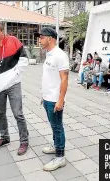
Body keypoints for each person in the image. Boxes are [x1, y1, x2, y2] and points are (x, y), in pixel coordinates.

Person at [0, 22, 29, 155]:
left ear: (2, 32)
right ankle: (4, 137)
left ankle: (24, 140)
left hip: (13, 84)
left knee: (18, 114)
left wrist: (13, 76)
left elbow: (24, 60)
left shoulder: (13, 41)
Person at [35, 27, 69, 171]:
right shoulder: (49, 54)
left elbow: (64, 79)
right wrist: (44, 96)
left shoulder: (59, 55)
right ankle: (56, 146)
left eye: (42, 37)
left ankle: (60, 156)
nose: (39, 40)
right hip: (47, 98)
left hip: (55, 99)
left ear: (50, 38)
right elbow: (50, 78)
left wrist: (60, 100)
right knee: (53, 125)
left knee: (57, 126)